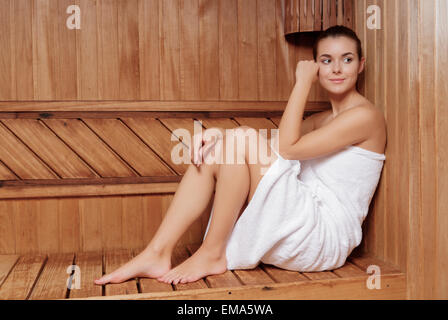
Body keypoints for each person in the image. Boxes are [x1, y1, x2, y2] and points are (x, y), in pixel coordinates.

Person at [94, 25, 386, 286]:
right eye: (326, 60)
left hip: (322, 238)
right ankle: (157, 253)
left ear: (361, 65)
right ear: (317, 66)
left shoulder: (365, 116)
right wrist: (220, 135)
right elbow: (272, 146)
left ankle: (211, 253)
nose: (336, 68)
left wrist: (301, 83)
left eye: (346, 59)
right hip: (299, 222)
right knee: (219, 151)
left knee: (240, 139)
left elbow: (286, 149)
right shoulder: (322, 120)